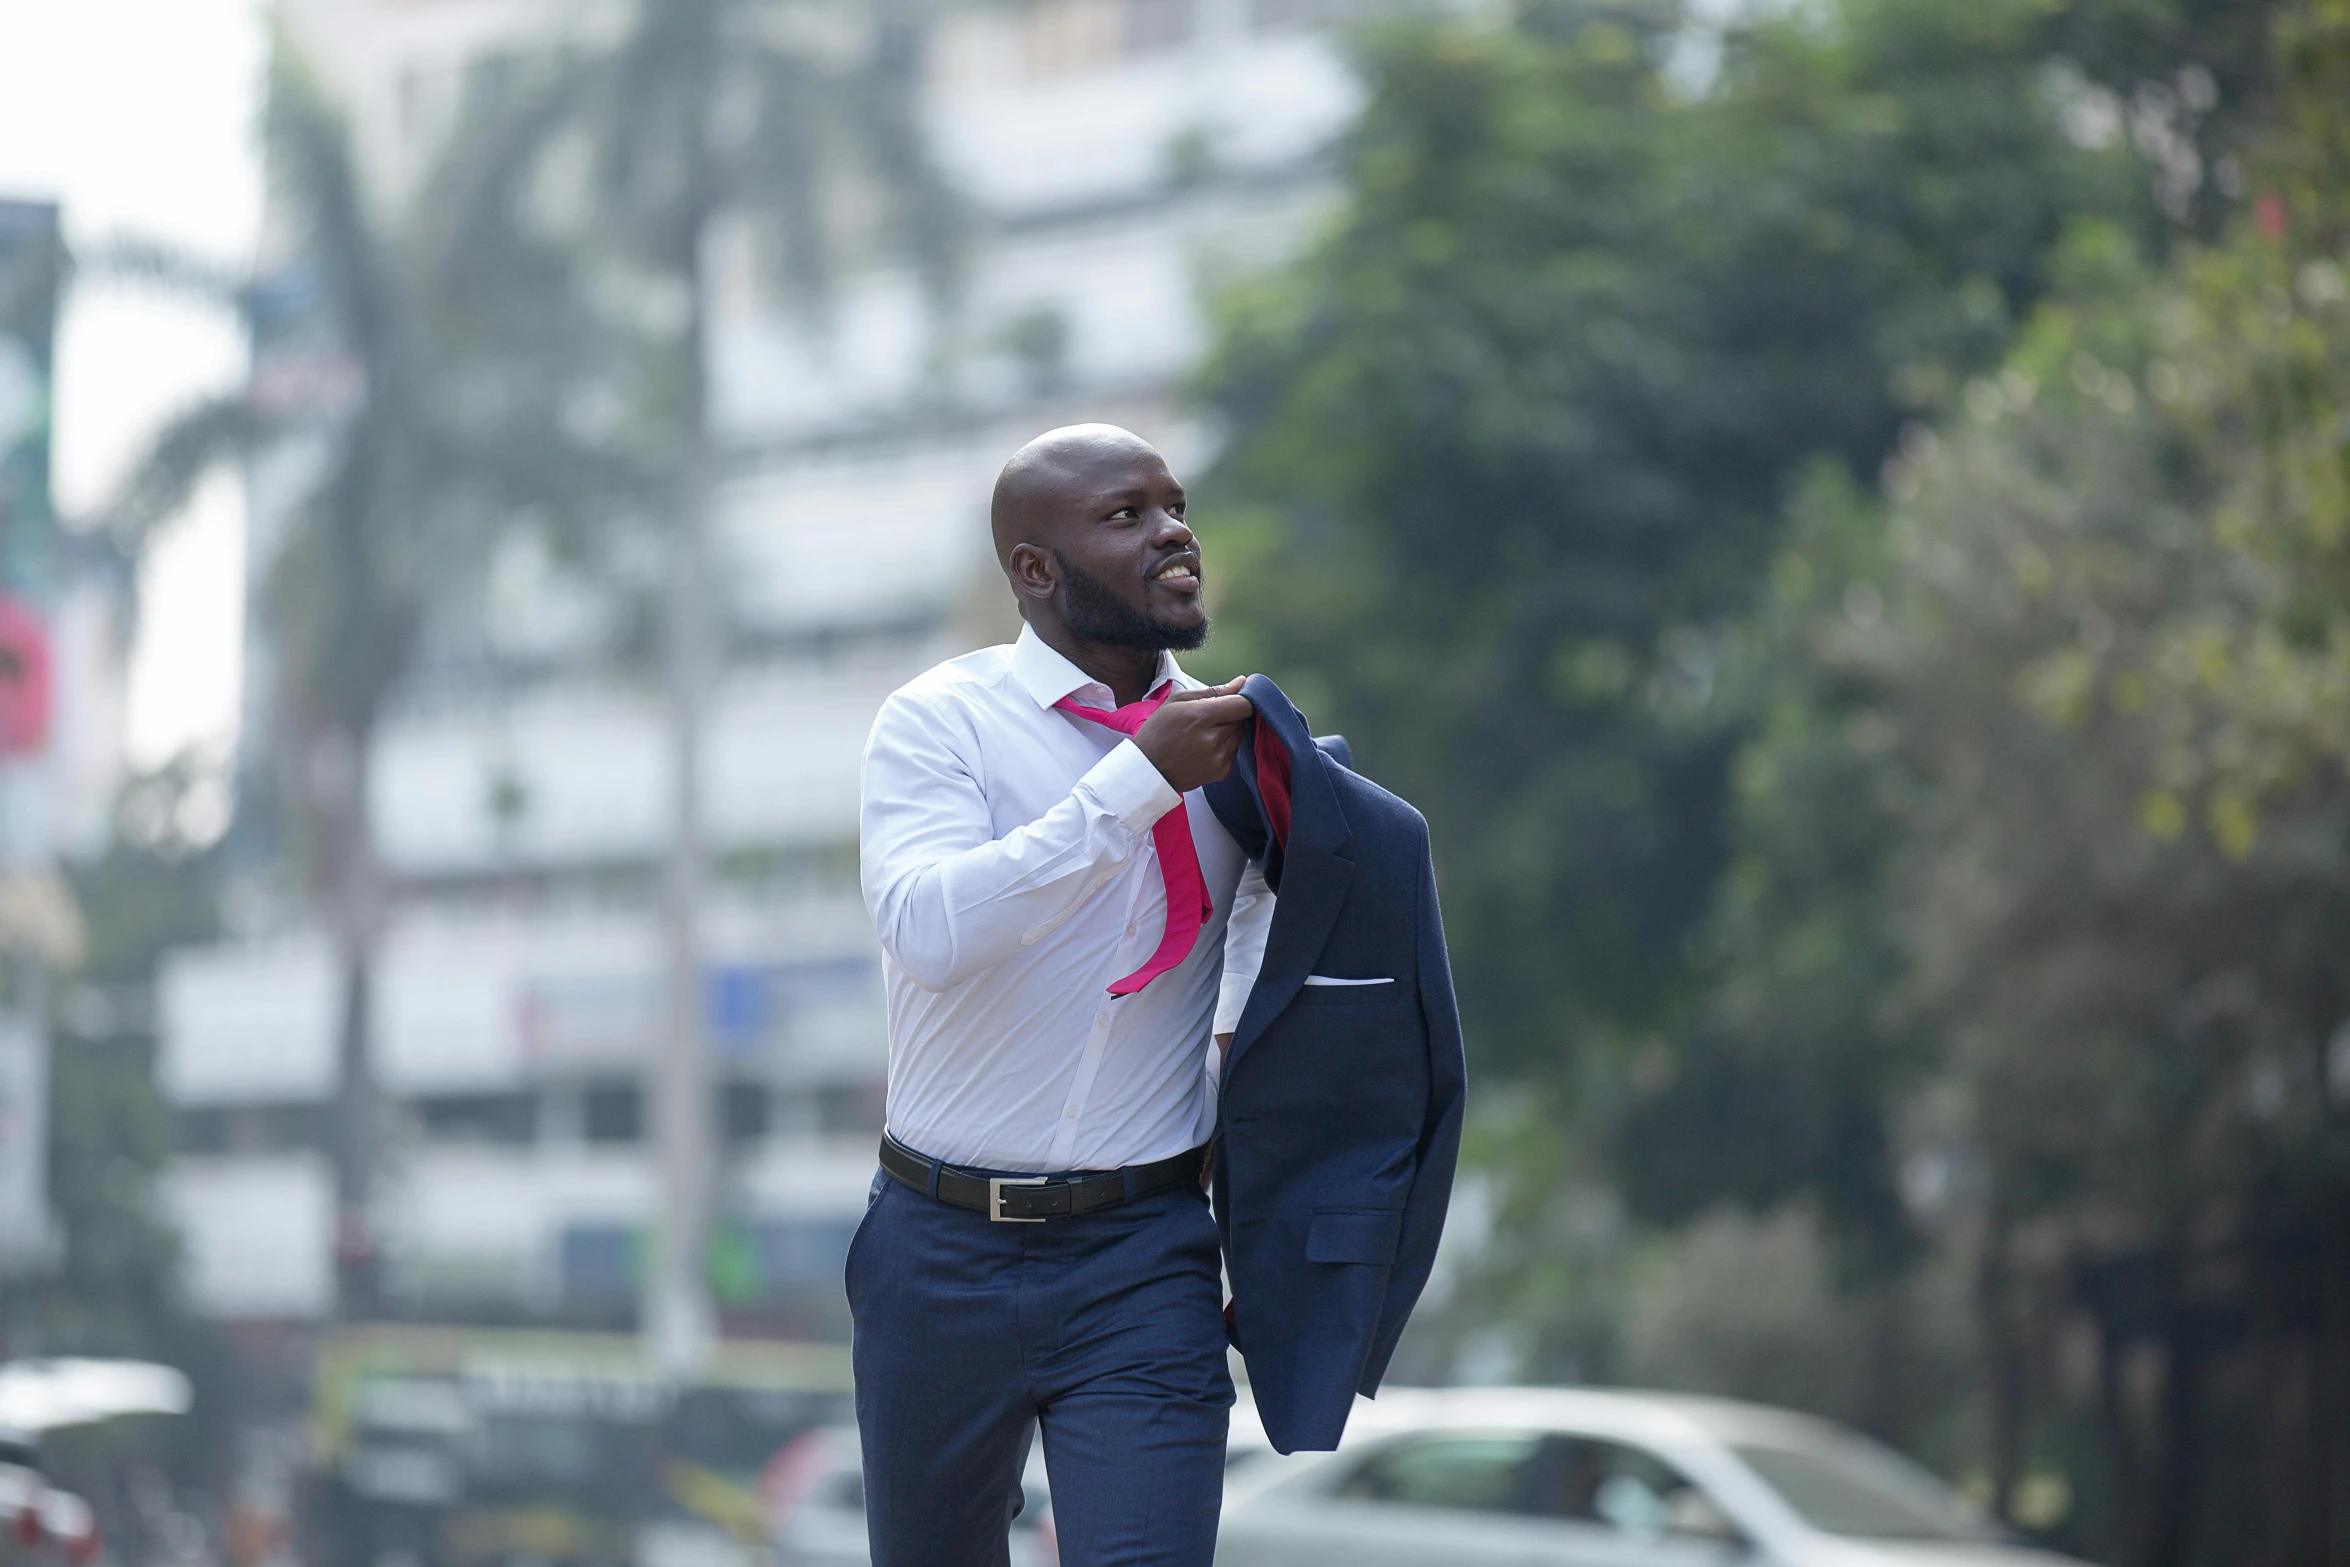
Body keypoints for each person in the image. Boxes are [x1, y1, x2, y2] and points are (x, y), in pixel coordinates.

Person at [852, 423, 1267, 1567]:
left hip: (1144, 1254)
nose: (1173, 530)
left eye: (1175, 504)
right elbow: (934, 930)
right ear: (1035, 570)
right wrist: (1135, 784)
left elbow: (1271, 968)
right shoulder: (939, 723)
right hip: (935, 1253)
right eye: (1125, 514)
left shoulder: (1249, 746)